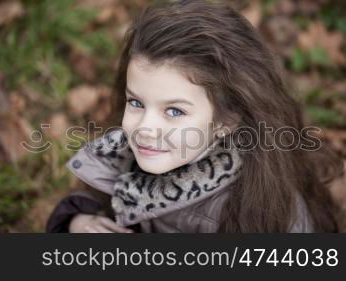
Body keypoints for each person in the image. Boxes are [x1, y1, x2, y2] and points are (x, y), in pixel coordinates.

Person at [45, 0, 343, 233]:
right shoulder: (127, 152)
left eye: (174, 111)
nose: (145, 129)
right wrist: (79, 222)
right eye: (136, 102)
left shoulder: (260, 209)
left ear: (227, 121)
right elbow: (96, 198)